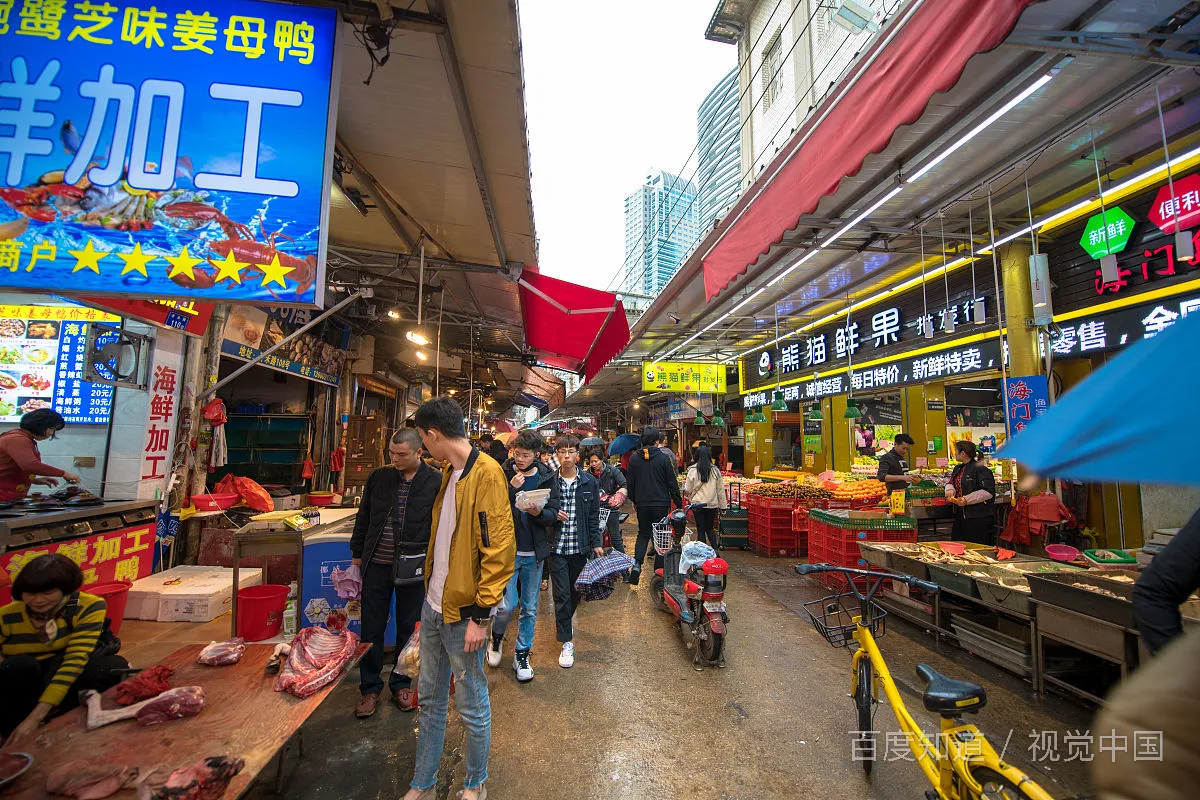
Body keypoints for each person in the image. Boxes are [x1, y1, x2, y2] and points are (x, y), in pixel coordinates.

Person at [403, 397, 514, 800]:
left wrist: (481, 616)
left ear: (433, 435)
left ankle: (474, 782)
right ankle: (423, 783)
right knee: (430, 700)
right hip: (434, 606)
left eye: (422, 440)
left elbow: (498, 550)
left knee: (471, 702)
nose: (423, 448)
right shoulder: (450, 473)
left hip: (463, 614)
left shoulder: (487, 474)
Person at [349, 428, 441, 717]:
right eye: (391, 453)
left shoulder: (435, 481)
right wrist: (356, 559)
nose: (395, 459)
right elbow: (364, 517)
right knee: (371, 628)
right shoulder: (379, 477)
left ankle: (402, 682)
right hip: (376, 563)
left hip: (413, 566)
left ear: (419, 452)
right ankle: (369, 688)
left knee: (408, 627)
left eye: (401, 454)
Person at [0, 554, 128, 745]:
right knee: (20, 665)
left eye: (48, 593)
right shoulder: (7, 615)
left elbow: (74, 660)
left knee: (111, 667)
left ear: (66, 589)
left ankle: (56, 716)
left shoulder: (88, 605)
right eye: (31, 594)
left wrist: (35, 718)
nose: (38, 601)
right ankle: (13, 726)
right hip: (25, 679)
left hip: (62, 671)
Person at [487, 430, 556, 681]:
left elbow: (553, 512)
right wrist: (509, 489)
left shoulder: (547, 476)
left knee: (529, 607)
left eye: (526, 455)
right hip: (507, 551)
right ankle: (495, 639)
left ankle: (522, 653)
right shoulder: (502, 472)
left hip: (533, 552)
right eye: (517, 454)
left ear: (536, 454)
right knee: (506, 604)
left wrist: (539, 513)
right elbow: (490, 510)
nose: (520, 459)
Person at [544, 434, 603, 669]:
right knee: (561, 595)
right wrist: (551, 514)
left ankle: (565, 620)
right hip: (556, 548)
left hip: (580, 547)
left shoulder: (589, 482)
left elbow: (593, 516)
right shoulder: (549, 481)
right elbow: (539, 510)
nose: (566, 456)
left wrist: (597, 543)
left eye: (570, 452)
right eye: (562, 452)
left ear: (578, 455)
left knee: (576, 591)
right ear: (556, 455)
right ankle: (566, 641)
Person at [625, 426, 683, 586]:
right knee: (661, 537)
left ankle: (637, 565)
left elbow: (630, 484)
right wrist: (678, 503)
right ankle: (659, 570)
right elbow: (672, 483)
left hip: (642, 504)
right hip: (661, 504)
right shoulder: (664, 459)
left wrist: (635, 500)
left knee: (643, 534)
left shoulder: (634, 459)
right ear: (657, 441)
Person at [0, 409, 81, 502]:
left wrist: (33, 480)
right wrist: (64, 474)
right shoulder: (17, 439)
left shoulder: (24, 438)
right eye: (51, 429)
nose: (51, 433)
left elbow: (10, 467)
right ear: (38, 425)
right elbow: (30, 465)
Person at [944, 440, 996, 545]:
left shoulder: (980, 469)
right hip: (961, 516)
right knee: (958, 545)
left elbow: (988, 491)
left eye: (956, 451)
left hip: (977, 517)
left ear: (963, 453)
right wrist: (949, 489)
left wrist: (966, 500)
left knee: (976, 547)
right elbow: (951, 482)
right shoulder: (958, 468)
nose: (954, 454)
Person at [684, 446, 727, 549]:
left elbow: (688, 489)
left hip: (697, 504)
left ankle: (702, 555)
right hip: (711, 504)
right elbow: (720, 490)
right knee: (710, 529)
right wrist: (723, 507)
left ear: (696, 456)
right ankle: (715, 552)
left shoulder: (692, 470)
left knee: (700, 529)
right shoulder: (715, 471)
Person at [587, 452, 628, 554]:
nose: (593, 464)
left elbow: (624, 484)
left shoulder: (612, 471)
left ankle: (624, 566)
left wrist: (619, 496)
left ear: (602, 460)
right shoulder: (587, 474)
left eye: (596, 461)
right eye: (591, 462)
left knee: (615, 538)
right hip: (595, 509)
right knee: (595, 539)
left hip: (611, 509)